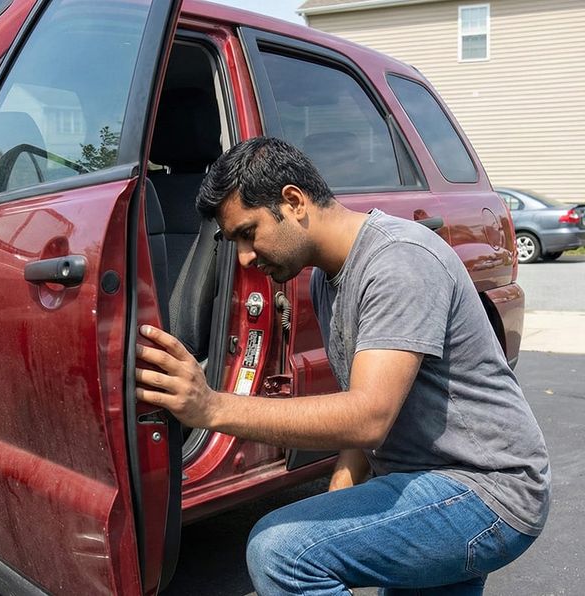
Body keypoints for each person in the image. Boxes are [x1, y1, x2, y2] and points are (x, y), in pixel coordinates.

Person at [135, 137, 550, 595]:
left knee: (280, 551)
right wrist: (342, 495)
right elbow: (359, 421)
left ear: (293, 201)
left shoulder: (398, 261)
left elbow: (368, 416)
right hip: (429, 485)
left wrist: (210, 408)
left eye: (248, 233)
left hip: (486, 491)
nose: (245, 257)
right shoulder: (327, 281)